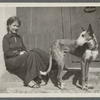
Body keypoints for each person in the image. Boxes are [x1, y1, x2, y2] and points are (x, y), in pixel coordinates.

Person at [2, 16, 56, 88]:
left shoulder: (19, 37)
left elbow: (24, 49)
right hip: (12, 61)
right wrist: (19, 53)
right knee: (32, 54)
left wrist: (24, 54)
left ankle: (53, 63)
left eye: (17, 26)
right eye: (14, 25)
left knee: (35, 50)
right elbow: (7, 53)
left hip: (20, 58)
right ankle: (30, 80)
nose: (15, 28)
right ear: (9, 25)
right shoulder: (6, 38)